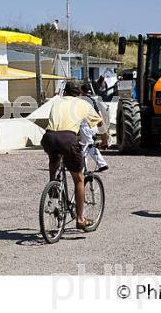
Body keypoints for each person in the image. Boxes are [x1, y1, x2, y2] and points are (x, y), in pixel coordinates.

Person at [41, 81, 103, 230]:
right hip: (68, 139)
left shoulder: (56, 101)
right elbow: (99, 123)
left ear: (64, 92)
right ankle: (80, 219)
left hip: (49, 137)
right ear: (80, 93)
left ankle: (53, 184)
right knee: (79, 179)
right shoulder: (82, 104)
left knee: (54, 157)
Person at [80, 83, 109, 172]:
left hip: (85, 126)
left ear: (81, 91)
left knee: (89, 145)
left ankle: (102, 164)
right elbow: (99, 115)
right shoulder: (93, 100)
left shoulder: (80, 100)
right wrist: (102, 128)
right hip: (93, 126)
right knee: (84, 146)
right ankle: (83, 166)